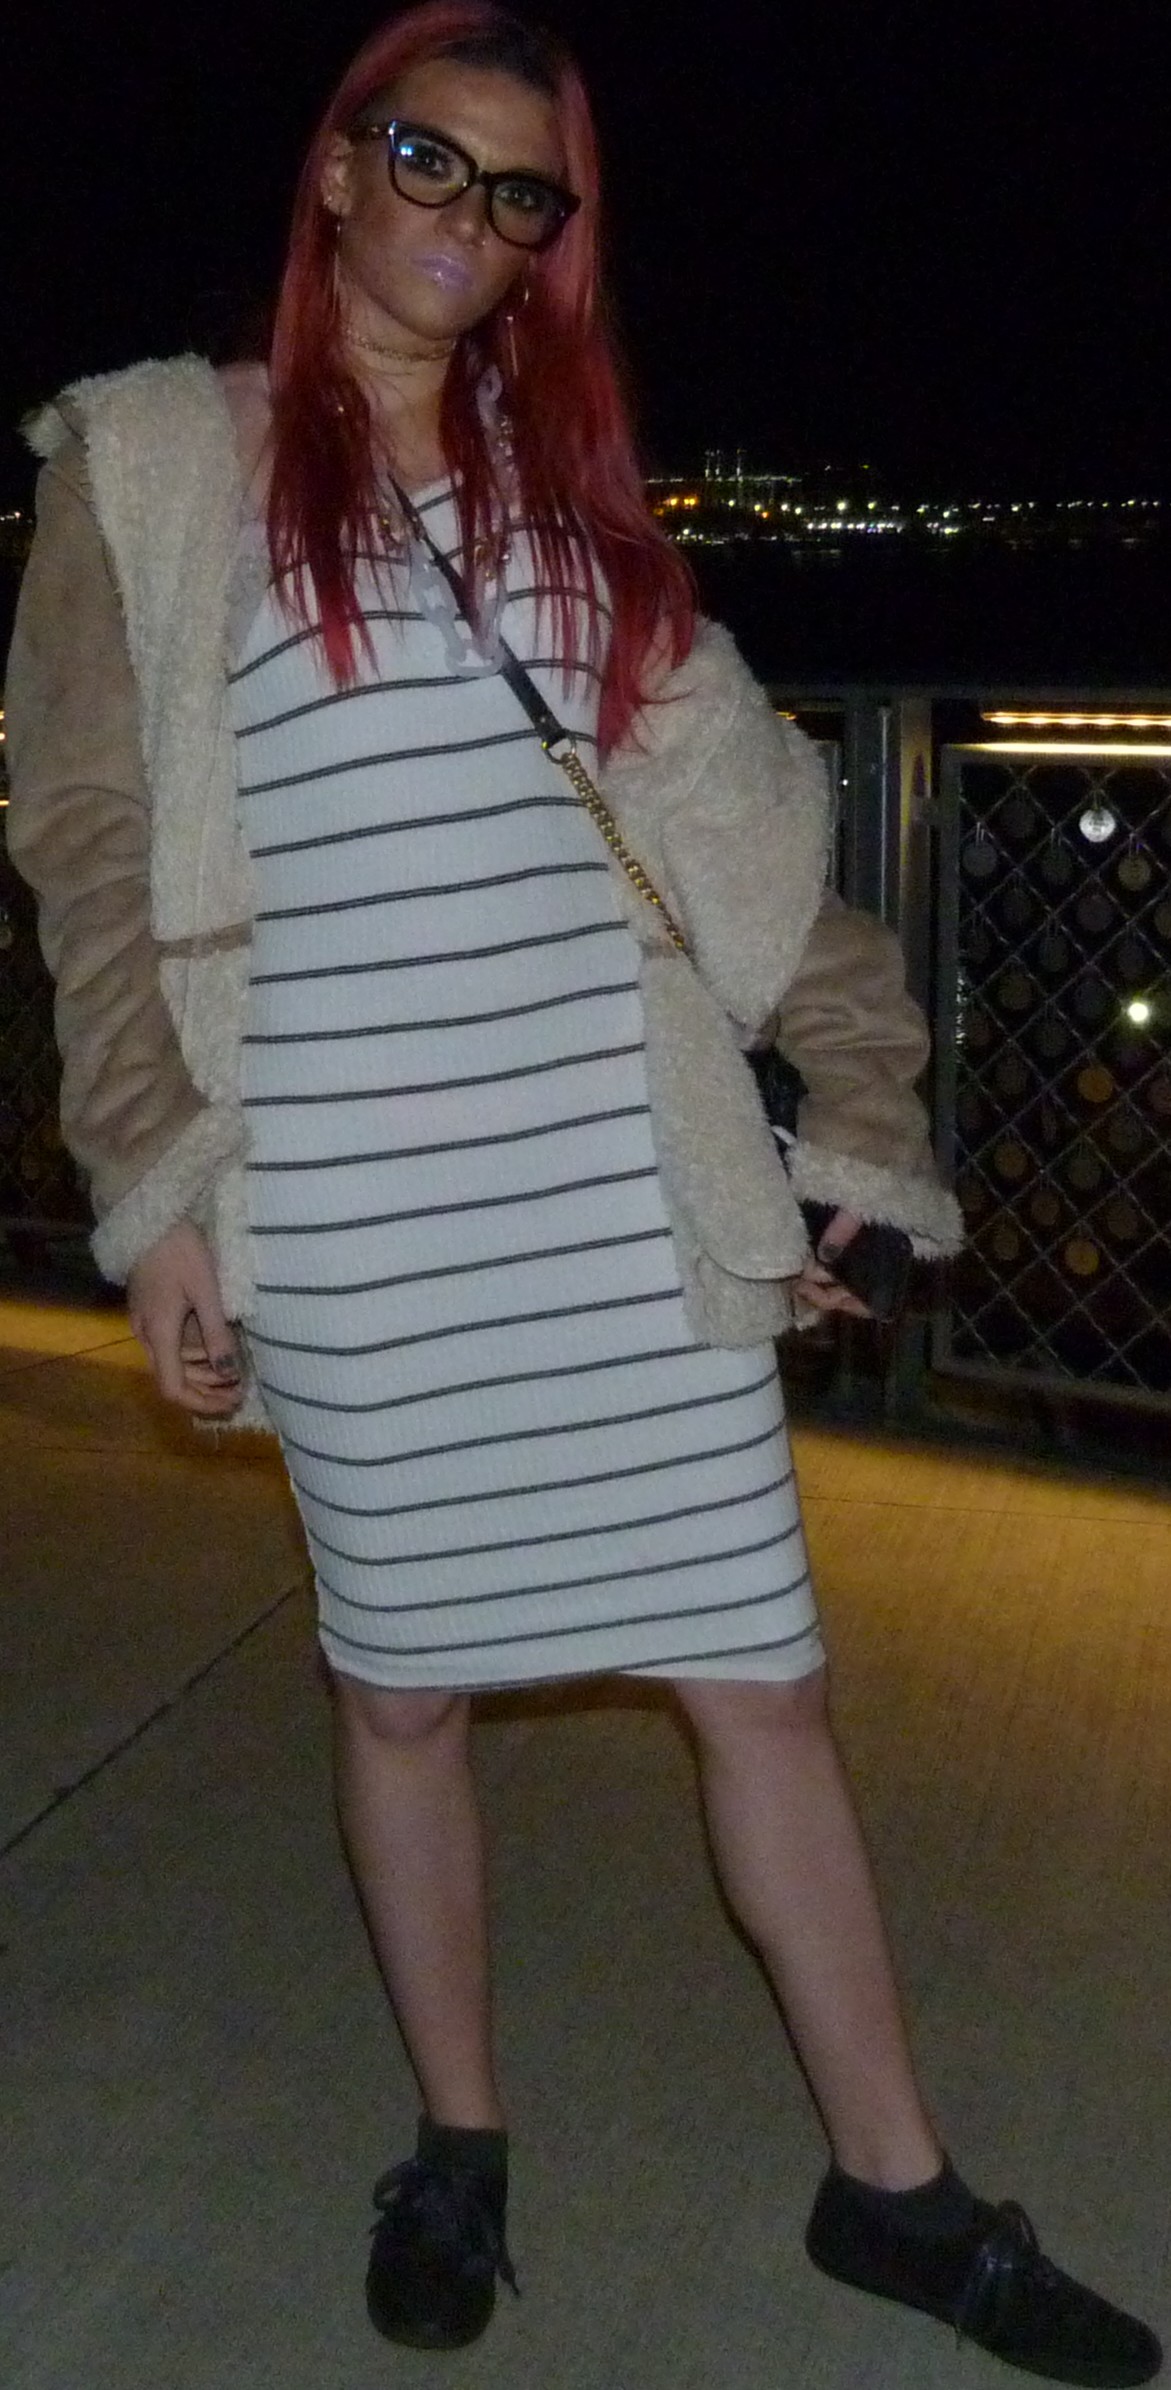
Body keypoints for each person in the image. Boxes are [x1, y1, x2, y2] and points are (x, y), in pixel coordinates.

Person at [3, 6, 1160, 2381]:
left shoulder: (569, 500)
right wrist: (156, 1189)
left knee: (764, 1679)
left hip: (612, 1197)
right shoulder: (153, 462)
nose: (468, 215)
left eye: (519, 191)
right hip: (348, 1205)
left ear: (552, 242)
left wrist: (863, 1110)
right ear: (338, 168)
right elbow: (91, 860)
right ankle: (460, 2139)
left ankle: (898, 2190)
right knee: (404, 1692)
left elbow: (742, 842)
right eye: (428, 158)